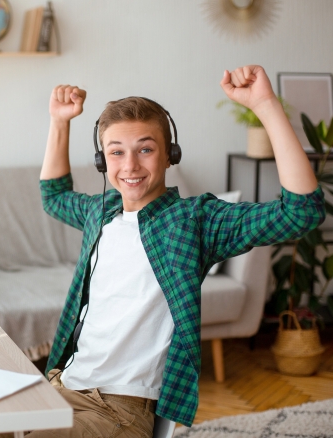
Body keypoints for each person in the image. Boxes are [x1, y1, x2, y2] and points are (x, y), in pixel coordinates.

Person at [28, 65, 325, 437]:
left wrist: (265, 105)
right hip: (62, 384)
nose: (130, 166)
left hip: (119, 408)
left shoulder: (194, 220)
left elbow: (300, 212)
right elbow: (53, 195)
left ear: (170, 155)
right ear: (102, 162)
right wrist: (59, 122)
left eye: (145, 149)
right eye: (116, 153)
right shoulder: (99, 211)